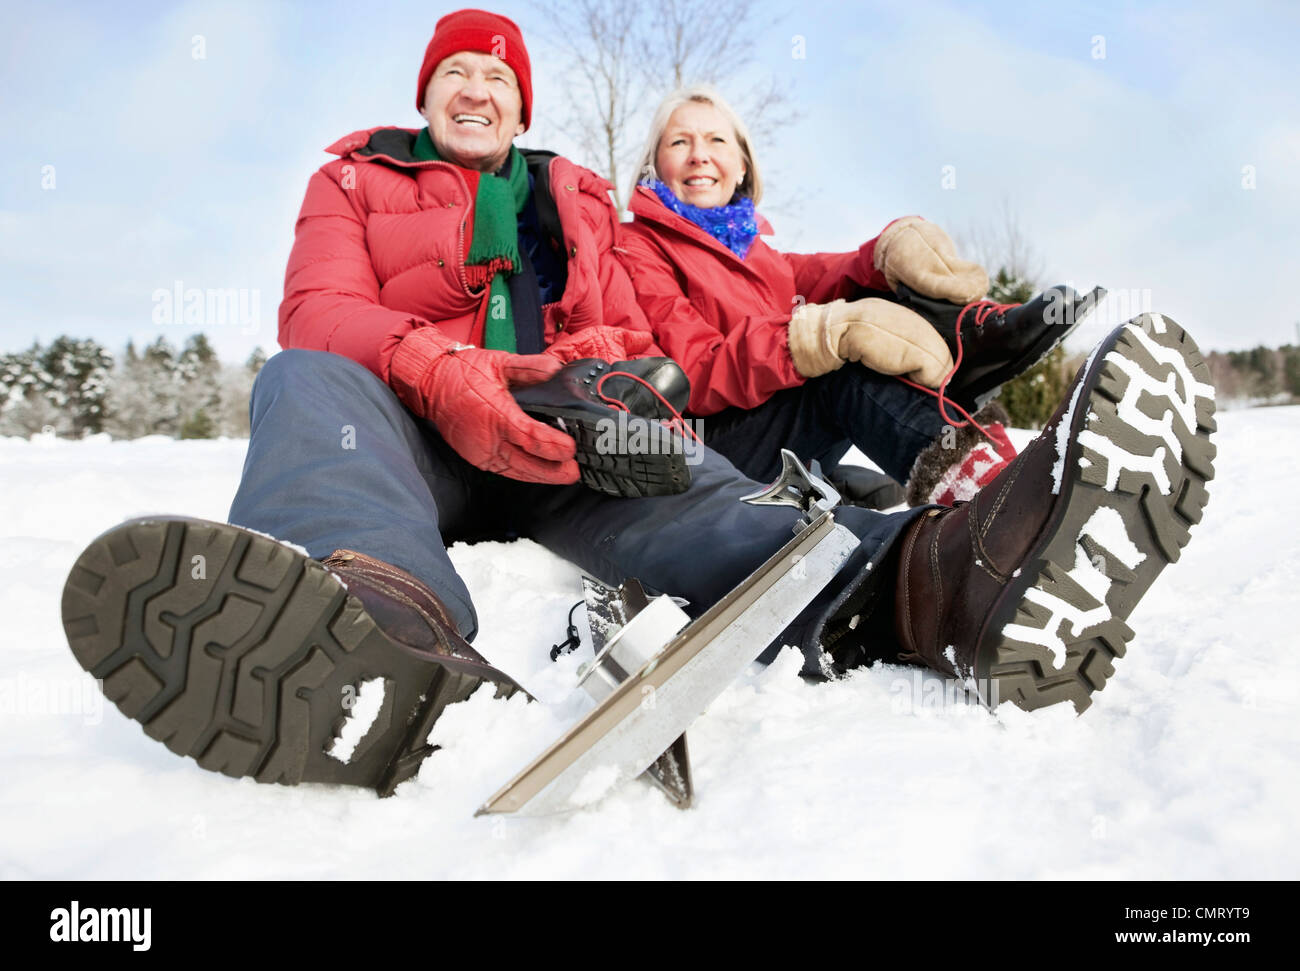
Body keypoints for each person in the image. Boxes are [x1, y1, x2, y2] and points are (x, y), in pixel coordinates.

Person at [59, 10, 1216, 797]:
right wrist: (442, 368)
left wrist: (616, 384)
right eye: (456, 72)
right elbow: (319, 309)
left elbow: (625, 324)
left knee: (707, 503)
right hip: (410, 416)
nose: (476, 87)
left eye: (497, 77)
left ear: (517, 104)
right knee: (306, 384)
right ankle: (374, 629)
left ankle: (940, 578)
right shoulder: (355, 177)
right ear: (427, 93)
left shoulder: (570, 193)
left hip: (555, 420)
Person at [618, 85, 1095, 507]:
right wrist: (812, 340)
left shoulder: (758, 256)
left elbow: (840, 273)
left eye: (716, 140)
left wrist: (889, 251)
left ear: (741, 165)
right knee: (838, 365)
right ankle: (997, 502)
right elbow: (688, 372)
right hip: (704, 452)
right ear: (655, 165)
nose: (699, 155)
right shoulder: (638, 246)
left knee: (887, 305)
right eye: (680, 142)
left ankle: (974, 342)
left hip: (761, 437)